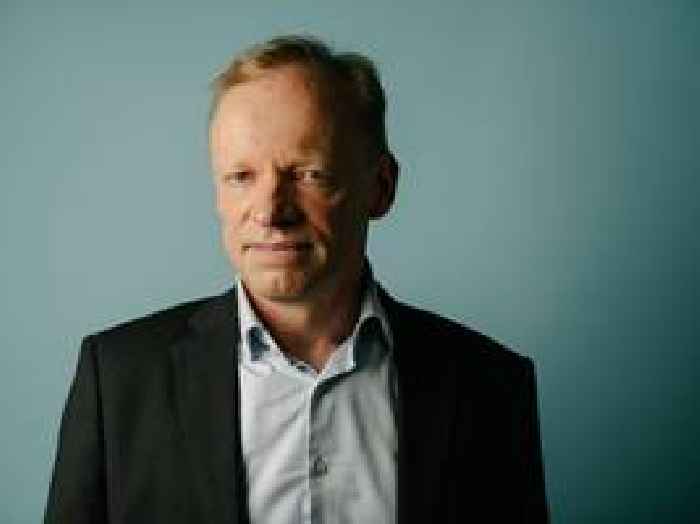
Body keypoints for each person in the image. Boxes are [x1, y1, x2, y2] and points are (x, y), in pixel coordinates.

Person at [44, 35, 549, 523]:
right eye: (241, 177)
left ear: (381, 187)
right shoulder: (118, 381)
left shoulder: (490, 388)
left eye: (309, 174)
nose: (270, 211)